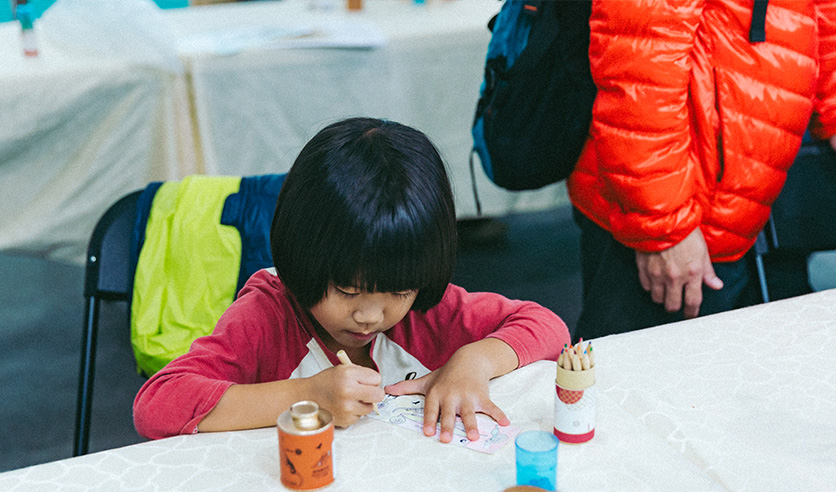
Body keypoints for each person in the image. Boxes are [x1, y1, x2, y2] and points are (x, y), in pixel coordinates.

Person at [134, 117, 569, 443]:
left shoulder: (425, 308)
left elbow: (547, 326)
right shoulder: (268, 315)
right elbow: (157, 405)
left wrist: (472, 363)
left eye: (397, 291)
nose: (369, 315)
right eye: (346, 290)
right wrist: (305, 396)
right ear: (301, 256)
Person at [568, 0, 836, 339]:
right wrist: (662, 224)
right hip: (670, 213)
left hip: (743, 200)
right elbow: (642, 49)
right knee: (643, 382)